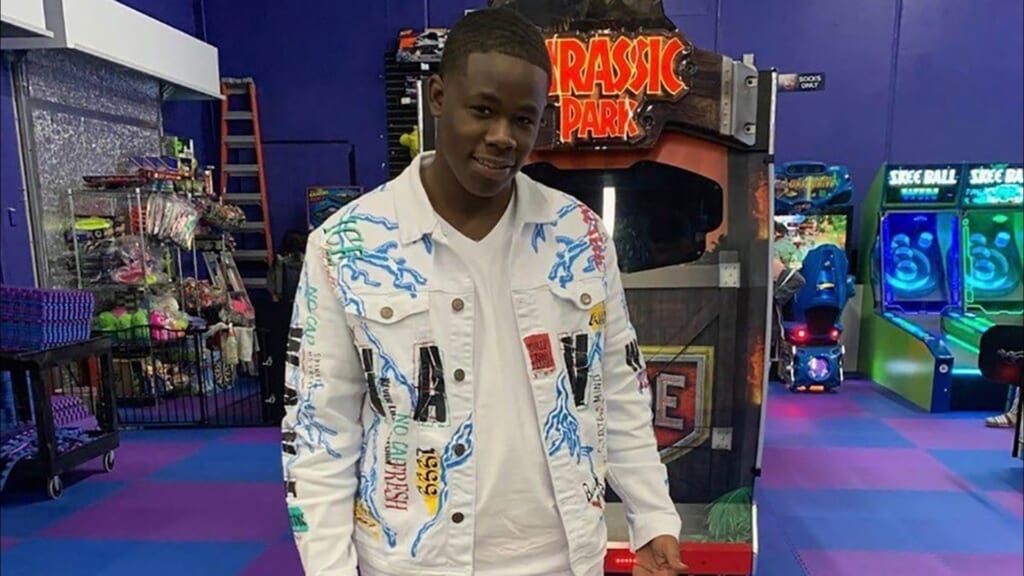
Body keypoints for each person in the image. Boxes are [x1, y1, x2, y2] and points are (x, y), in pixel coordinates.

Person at [282, 7, 686, 576]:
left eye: (524, 119)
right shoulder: (346, 246)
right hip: (411, 563)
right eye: (483, 110)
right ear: (438, 96)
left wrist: (653, 516)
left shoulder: (581, 236)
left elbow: (617, 388)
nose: (502, 137)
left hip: (564, 557)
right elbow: (320, 431)